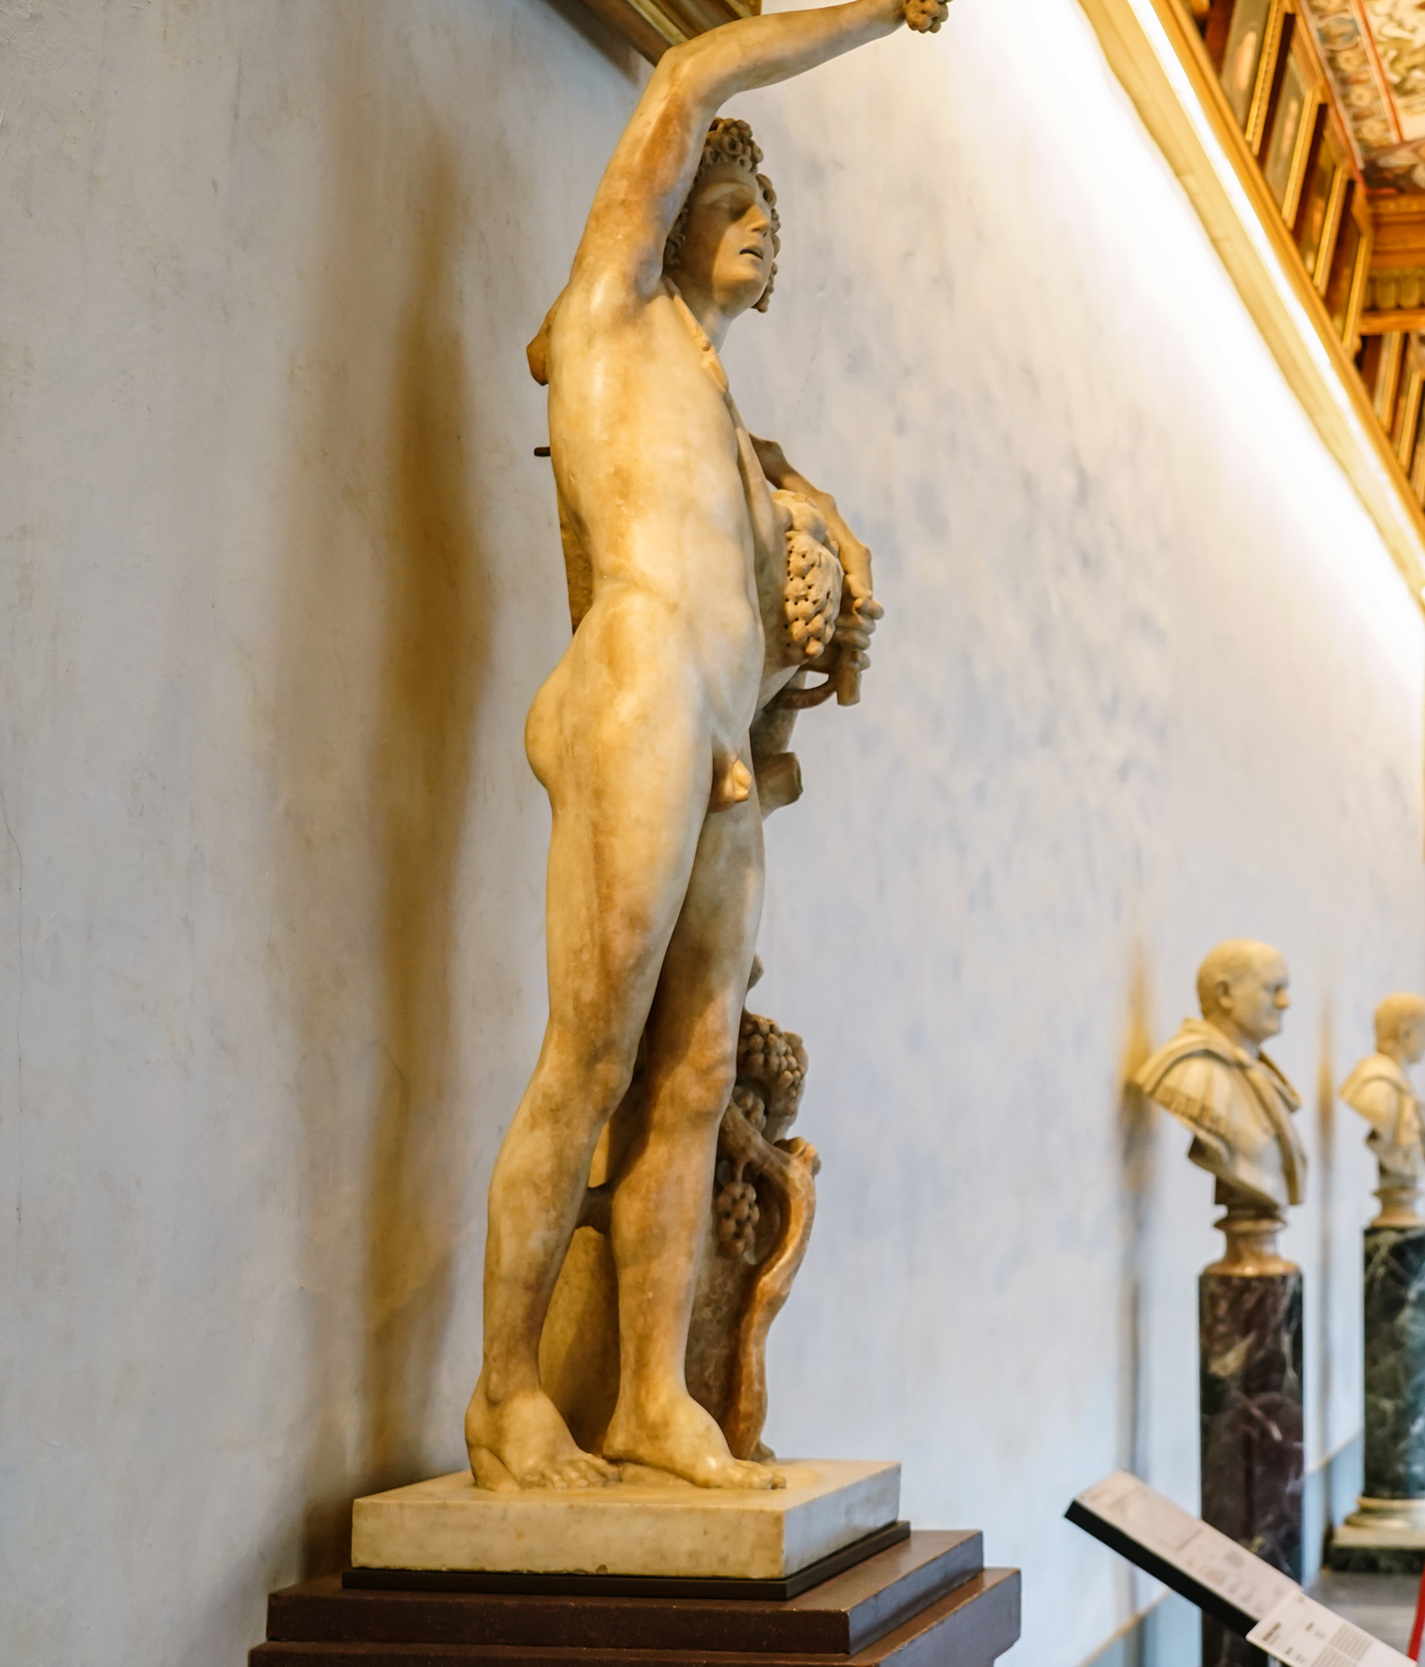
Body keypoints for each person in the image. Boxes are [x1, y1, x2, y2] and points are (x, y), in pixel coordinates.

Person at [465, 0, 950, 1494]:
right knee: (591, 1055)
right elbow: (690, 70)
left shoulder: (738, 435)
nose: (761, 226)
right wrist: (876, 12)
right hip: (637, 683)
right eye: (734, 200)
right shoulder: (610, 312)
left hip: (724, 734)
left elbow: (774, 623)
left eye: (772, 215)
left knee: (692, 1076)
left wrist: (827, 594)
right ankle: (504, 1397)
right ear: (668, 217)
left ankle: (650, 1399)